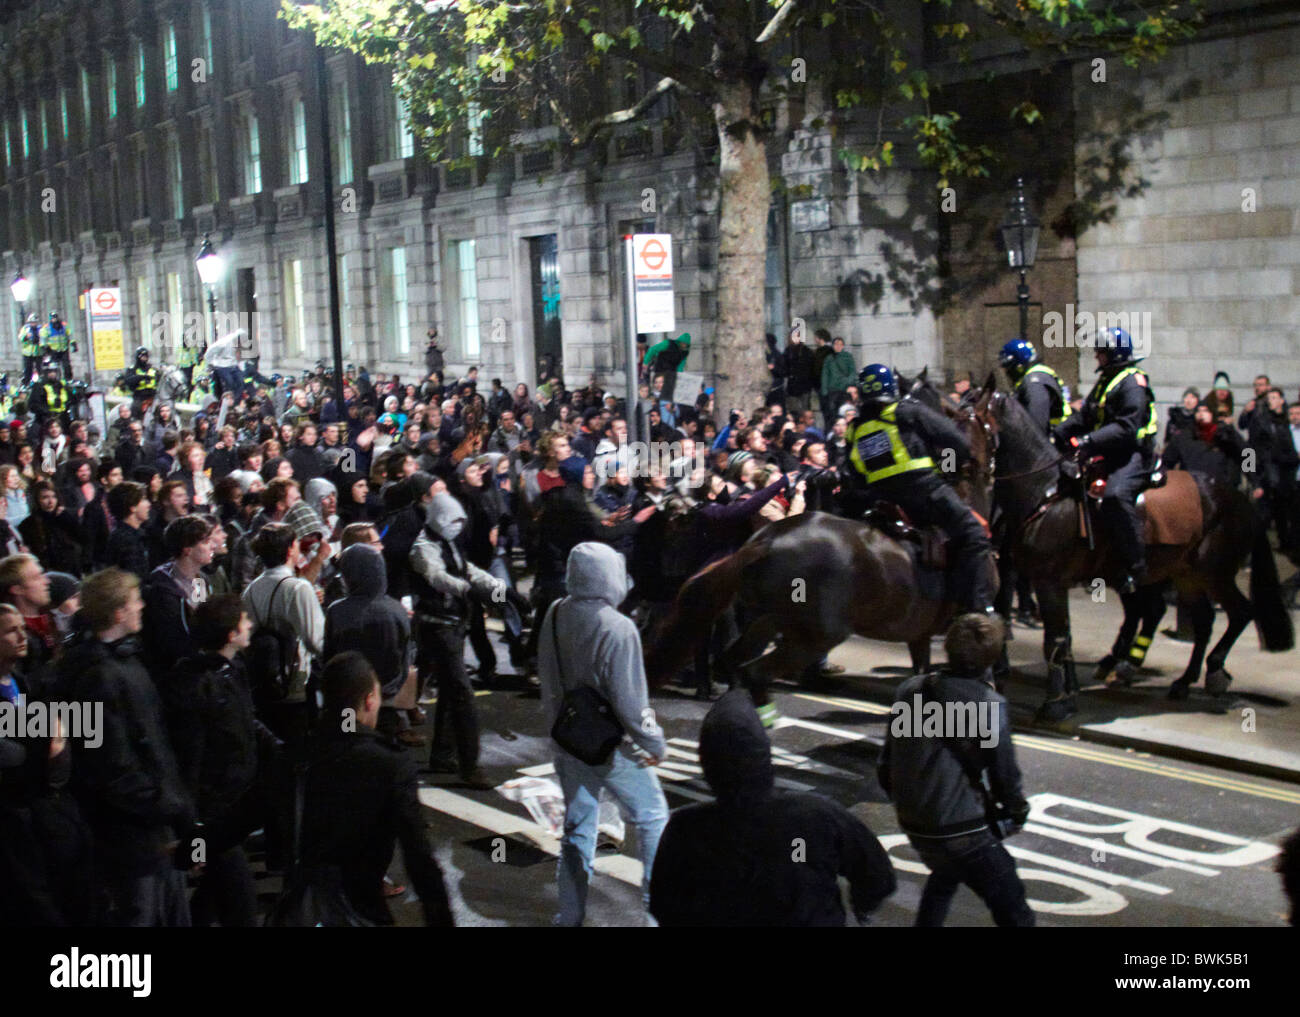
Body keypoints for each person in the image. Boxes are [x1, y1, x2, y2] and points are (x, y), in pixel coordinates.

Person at [650, 690, 895, 926]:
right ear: (763, 755)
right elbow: (877, 876)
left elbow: (664, 905)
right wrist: (861, 906)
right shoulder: (816, 815)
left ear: (707, 764)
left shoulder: (685, 829)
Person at [538, 541, 669, 927]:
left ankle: (570, 916)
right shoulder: (619, 627)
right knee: (652, 814)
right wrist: (654, 742)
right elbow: (633, 703)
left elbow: (547, 673)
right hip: (611, 747)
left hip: (567, 737)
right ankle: (654, 914)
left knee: (579, 828)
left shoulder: (556, 612)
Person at [54, 567, 194, 927]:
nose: (142, 606)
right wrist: (165, 805)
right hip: (129, 838)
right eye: (135, 602)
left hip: (152, 827)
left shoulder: (125, 662)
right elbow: (110, 766)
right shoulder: (97, 676)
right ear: (118, 613)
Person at [877, 612, 1033, 927]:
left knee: (945, 876)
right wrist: (1016, 810)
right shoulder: (988, 705)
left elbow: (886, 764)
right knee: (1013, 908)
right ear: (991, 658)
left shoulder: (910, 691)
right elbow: (1005, 776)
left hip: (914, 822)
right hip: (961, 830)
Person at [285, 652, 454, 926]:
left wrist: (197, 847)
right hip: (360, 908)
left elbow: (243, 814)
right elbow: (419, 858)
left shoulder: (298, 754)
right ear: (369, 700)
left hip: (305, 907)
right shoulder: (389, 763)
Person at [164, 594, 276, 927]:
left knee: (212, 895)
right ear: (230, 634)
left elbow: (244, 720)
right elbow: (191, 759)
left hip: (235, 805)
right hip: (214, 815)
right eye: (244, 621)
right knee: (240, 903)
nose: (251, 625)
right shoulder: (197, 685)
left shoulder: (232, 669)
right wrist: (193, 829)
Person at [850, 364, 995, 613]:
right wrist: (949, 470)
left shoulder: (855, 428)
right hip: (924, 492)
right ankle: (978, 608)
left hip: (882, 501)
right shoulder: (906, 411)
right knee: (975, 535)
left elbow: (855, 471)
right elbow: (956, 441)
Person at [411, 493, 518, 788]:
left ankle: (444, 755)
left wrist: (503, 591)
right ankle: (469, 765)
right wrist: (470, 591)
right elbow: (438, 577)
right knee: (461, 694)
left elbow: (469, 571)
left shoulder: (448, 543)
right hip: (436, 627)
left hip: (454, 625)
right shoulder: (424, 547)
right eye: (453, 520)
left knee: (450, 691)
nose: (458, 526)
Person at [1053, 327, 1159, 594]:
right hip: (1107, 449)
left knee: (1114, 495)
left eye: (1100, 353)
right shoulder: (1108, 380)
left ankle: (1136, 566)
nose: (1096, 357)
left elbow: (1126, 427)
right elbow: (1085, 415)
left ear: (1113, 354)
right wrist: (1059, 433)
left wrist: (1087, 441)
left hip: (1133, 453)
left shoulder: (1133, 382)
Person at [324, 544, 417, 744]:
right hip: (385, 700)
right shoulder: (396, 610)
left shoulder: (337, 611)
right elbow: (406, 656)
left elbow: (329, 656)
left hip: (348, 701)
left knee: (349, 743)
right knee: (383, 746)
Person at [141, 516, 214, 679]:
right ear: (187, 549)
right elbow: (172, 639)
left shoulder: (200, 579)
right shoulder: (161, 587)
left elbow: (200, 616)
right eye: (206, 542)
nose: (212, 546)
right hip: (173, 672)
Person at [997, 339, 1072, 434]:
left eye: (1008, 367)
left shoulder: (1034, 384)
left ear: (1018, 367)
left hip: (1054, 439)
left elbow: (1037, 423)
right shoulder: (1035, 377)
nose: (1006, 372)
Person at [820, 336, 856, 427]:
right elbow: (825, 374)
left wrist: (848, 382)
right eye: (836, 344)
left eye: (840, 344)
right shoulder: (829, 358)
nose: (838, 346)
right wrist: (824, 390)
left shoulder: (848, 357)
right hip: (833, 389)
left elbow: (852, 372)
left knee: (845, 410)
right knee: (832, 413)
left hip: (844, 390)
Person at [120, 346, 161, 415]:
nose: (144, 358)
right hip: (139, 396)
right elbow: (128, 381)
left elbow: (160, 380)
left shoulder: (153, 369)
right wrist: (142, 377)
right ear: (138, 357)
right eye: (142, 357)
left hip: (153, 395)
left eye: (146, 357)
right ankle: (134, 421)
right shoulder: (132, 369)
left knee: (164, 408)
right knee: (136, 408)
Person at [40, 311, 76, 380]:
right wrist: (44, 347)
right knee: (53, 367)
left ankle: (68, 379)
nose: (54, 319)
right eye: (53, 318)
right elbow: (43, 338)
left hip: (63, 349)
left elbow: (70, 334)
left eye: (55, 317)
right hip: (53, 350)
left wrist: (73, 343)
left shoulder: (64, 325)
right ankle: (55, 380)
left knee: (66, 366)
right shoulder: (47, 327)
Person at [18, 314, 43, 385]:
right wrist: (26, 337)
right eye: (32, 322)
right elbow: (21, 337)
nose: (33, 324)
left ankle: (41, 383)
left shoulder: (40, 328)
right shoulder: (25, 328)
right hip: (28, 353)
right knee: (28, 370)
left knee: (40, 369)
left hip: (38, 353)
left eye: (35, 322)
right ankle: (26, 384)